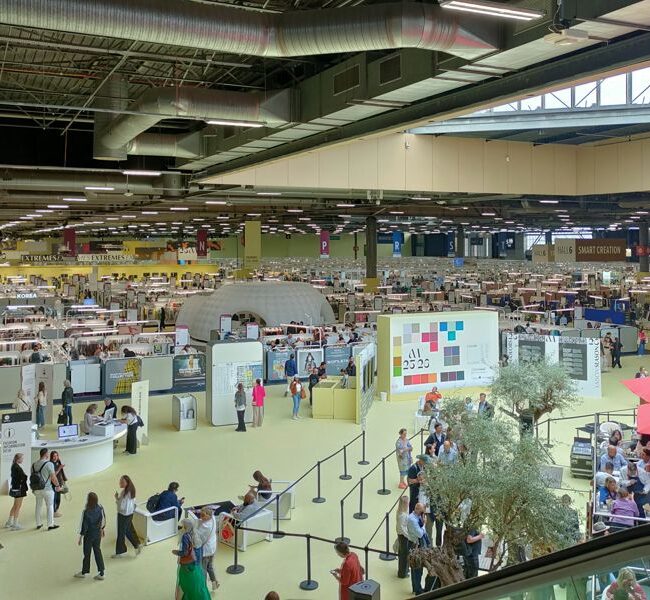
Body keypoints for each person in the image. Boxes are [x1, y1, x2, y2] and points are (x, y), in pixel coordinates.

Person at [173, 518, 210, 600]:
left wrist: (176, 552)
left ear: (185, 527)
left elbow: (185, 552)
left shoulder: (185, 536)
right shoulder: (196, 534)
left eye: (181, 526)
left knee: (185, 583)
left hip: (188, 566)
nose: (180, 528)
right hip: (197, 566)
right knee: (198, 585)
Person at [75, 492, 106, 580]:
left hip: (89, 536)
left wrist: (81, 537)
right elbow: (103, 519)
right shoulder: (100, 508)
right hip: (97, 534)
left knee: (87, 554)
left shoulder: (86, 512)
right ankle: (102, 572)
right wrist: (102, 529)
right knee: (98, 551)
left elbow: (84, 526)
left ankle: (84, 571)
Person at [32, 447, 61, 531]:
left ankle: (38, 523)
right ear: (45, 454)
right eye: (48, 454)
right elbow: (53, 477)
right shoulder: (49, 464)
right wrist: (57, 485)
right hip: (47, 489)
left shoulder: (34, 465)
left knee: (38, 506)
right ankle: (50, 524)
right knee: (50, 506)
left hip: (37, 489)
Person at [113, 475, 141, 558]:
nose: (120, 483)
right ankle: (136, 545)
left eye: (122, 482)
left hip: (123, 515)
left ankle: (120, 552)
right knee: (128, 531)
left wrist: (117, 499)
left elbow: (122, 506)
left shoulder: (126, 493)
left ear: (127, 483)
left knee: (121, 533)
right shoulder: (129, 491)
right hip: (129, 514)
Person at [198, 507, 219, 592]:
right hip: (212, 547)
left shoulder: (204, 526)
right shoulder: (213, 518)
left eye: (203, 515)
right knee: (210, 567)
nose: (201, 517)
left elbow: (198, 537)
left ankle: (203, 588)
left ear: (208, 516)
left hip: (205, 551)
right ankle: (214, 582)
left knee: (203, 569)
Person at [5, 453, 28, 530]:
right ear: (18, 459)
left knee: (15, 505)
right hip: (19, 489)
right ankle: (15, 524)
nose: (23, 460)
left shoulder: (14, 466)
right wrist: (24, 477)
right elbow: (22, 477)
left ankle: (9, 522)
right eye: (22, 458)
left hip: (16, 488)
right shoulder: (17, 467)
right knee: (18, 506)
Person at [395, 495, 410, 579]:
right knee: (404, 555)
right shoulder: (403, 515)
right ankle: (402, 573)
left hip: (401, 535)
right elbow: (402, 528)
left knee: (402, 554)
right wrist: (409, 535)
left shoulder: (400, 512)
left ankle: (403, 570)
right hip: (404, 537)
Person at [50, 450, 67, 517]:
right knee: (54, 497)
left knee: (58, 498)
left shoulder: (58, 461)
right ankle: (54, 511)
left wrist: (63, 479)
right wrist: (59, 468)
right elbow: (53, 475)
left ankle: (56, 510)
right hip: (53, 484)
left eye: (57, 455)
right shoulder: (51, 464)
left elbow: (61, 473)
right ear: (51, 457)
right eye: (54, 456)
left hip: (59, 482)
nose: (56, 457)